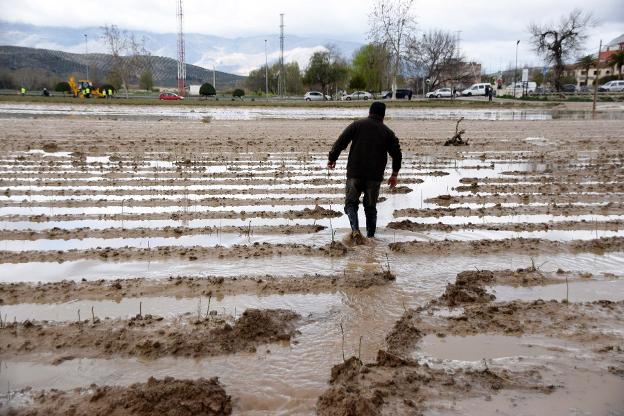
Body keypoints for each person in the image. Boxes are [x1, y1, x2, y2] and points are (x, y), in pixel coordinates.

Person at [327, 101, 402, 241]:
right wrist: (394, 174)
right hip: (374, 176)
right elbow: (397, 154)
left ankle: (355, 231)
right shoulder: (388, 132)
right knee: (370, 208)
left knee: (350, 203)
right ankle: (371, 237)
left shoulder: (357, 125)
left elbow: (341, 141)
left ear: (369, 112)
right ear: (383, 116)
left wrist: (332, 158)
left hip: (355, 172)